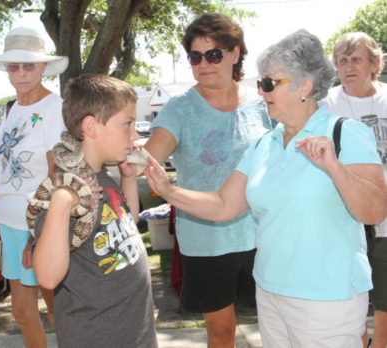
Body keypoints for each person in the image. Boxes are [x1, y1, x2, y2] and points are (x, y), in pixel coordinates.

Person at [145, 29, 387, 347]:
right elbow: (223, 205)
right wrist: (169, 190)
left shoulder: (344, 133)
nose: (262, 91)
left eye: (271, 83)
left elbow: (375, 210)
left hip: (325, 298)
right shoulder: (264, 144)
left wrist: (335, 168)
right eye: (261, 83)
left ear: (306, 85)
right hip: (270, 292)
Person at [144, 12, 272, 347]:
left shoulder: (263, 107)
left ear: (234, 53)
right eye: (195, 57)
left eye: (213, 54)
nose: (204, 64)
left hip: (264, 234)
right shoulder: (180, 109)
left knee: (278, 322)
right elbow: (150, 156)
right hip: (206, 239)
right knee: (220, 331)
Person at [32, 74, 157, 348]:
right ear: (91, 127)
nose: (135, 135)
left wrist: (128, 180)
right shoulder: (64, 191)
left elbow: (126, 229)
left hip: (135, 335)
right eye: (127, 125)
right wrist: (63, 202)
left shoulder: (103, 179)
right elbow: (48, 276)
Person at [0, 27, 68, 347]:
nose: (21, 73)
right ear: (7, 69)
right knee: (22, 311)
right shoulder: (11, 110)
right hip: (10, 224)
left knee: (58, 309)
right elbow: (7, 174)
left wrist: (42, 230)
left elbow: (56, 173)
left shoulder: (54, 109)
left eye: (28, 65)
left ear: (43, 67)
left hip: (39, 224)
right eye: (14, 66)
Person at [323, 32, 387, 348]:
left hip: (386, 225)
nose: (348, 67)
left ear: (374, 64)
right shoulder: (326, 104)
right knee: (352, 310)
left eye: (356, 59)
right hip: (344, 222)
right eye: (342, 61)